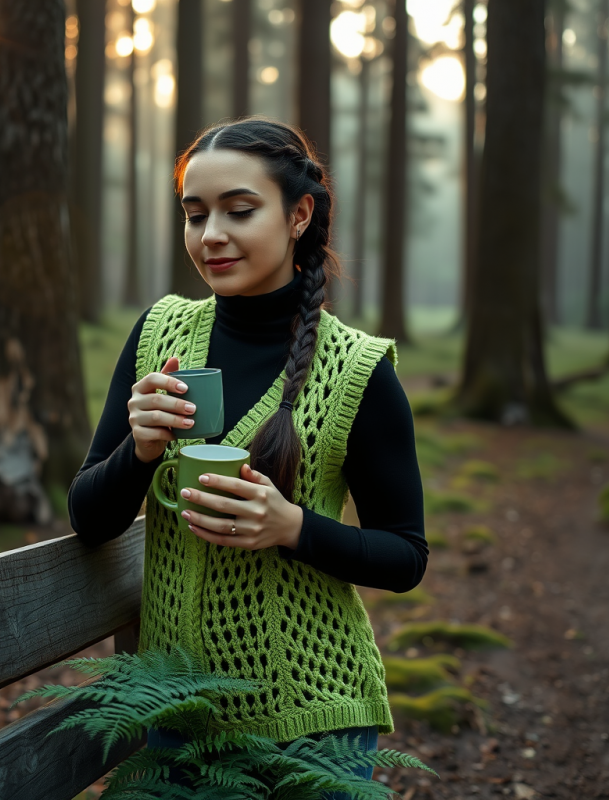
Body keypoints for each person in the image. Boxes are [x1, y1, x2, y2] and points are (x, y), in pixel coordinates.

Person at [68, 117, 427, 793]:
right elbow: (90, 517)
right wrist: (140, 450)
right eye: (194, 214)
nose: (211, 237)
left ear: (298, 215)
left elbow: (406, 555)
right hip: (174, 710)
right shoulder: (160, 335)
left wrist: (291, 527)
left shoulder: (356, 369)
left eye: (239, 210)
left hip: (312, 720)